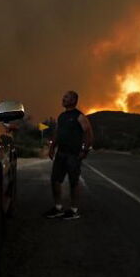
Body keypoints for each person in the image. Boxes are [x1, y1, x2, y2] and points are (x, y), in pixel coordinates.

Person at [43, 90, 94, 220]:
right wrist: (52, 147)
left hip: (73, 155)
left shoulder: (79, 116)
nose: (63, 99)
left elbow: (88, 133)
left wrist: (84, 150)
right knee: (55, 180)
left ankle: (74, 210)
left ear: (73, 100)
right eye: (64, 97)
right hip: (61, 154)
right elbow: (57, 133)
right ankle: (58, 208)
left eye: (66, 97)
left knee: (73, 182)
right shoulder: (62, 116)